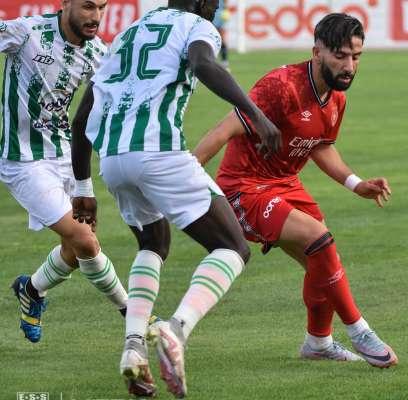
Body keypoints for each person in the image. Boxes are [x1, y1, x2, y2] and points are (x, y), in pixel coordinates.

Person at [69, 0, 281, 397]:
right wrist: (253, 111)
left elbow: (82, 118)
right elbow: (203, 63)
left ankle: (133, 348)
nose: (216, 8)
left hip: (113, 159)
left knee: (153, 242)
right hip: (159, 151)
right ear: (203, 3)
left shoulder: (129, 32)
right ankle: (175, 329)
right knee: (232, 247)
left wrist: (82, 188)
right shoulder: (196, 26)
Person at [193, 13, 398, 368]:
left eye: (356, 57)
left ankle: (318, 343)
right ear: (317, 51)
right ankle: (361, 331)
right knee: (320, 239)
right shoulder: (280, 86)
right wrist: (182, 176)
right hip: (246, 187)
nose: (349, 66)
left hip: (285, 185)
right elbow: (225, 129)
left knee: (322, 266)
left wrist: (355, 183)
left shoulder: (336, 98)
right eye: (341, 56)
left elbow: (320, 145)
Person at [1, 0, 129, 344]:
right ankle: (133, 315)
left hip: (66, 157)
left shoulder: (96, 52)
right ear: (67, 4)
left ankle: (31, 289)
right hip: (24, 161)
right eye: (88, 7)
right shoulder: (26, 32)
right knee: (86, 241)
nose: (96, 17)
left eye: (101, 8)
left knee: (76, 249)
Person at [212, 0, 230, 69]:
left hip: (219, 16)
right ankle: (212, 60)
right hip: (212, 15)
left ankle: (224, 61)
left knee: (221, 39)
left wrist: (226, 11)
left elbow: (225, 5)